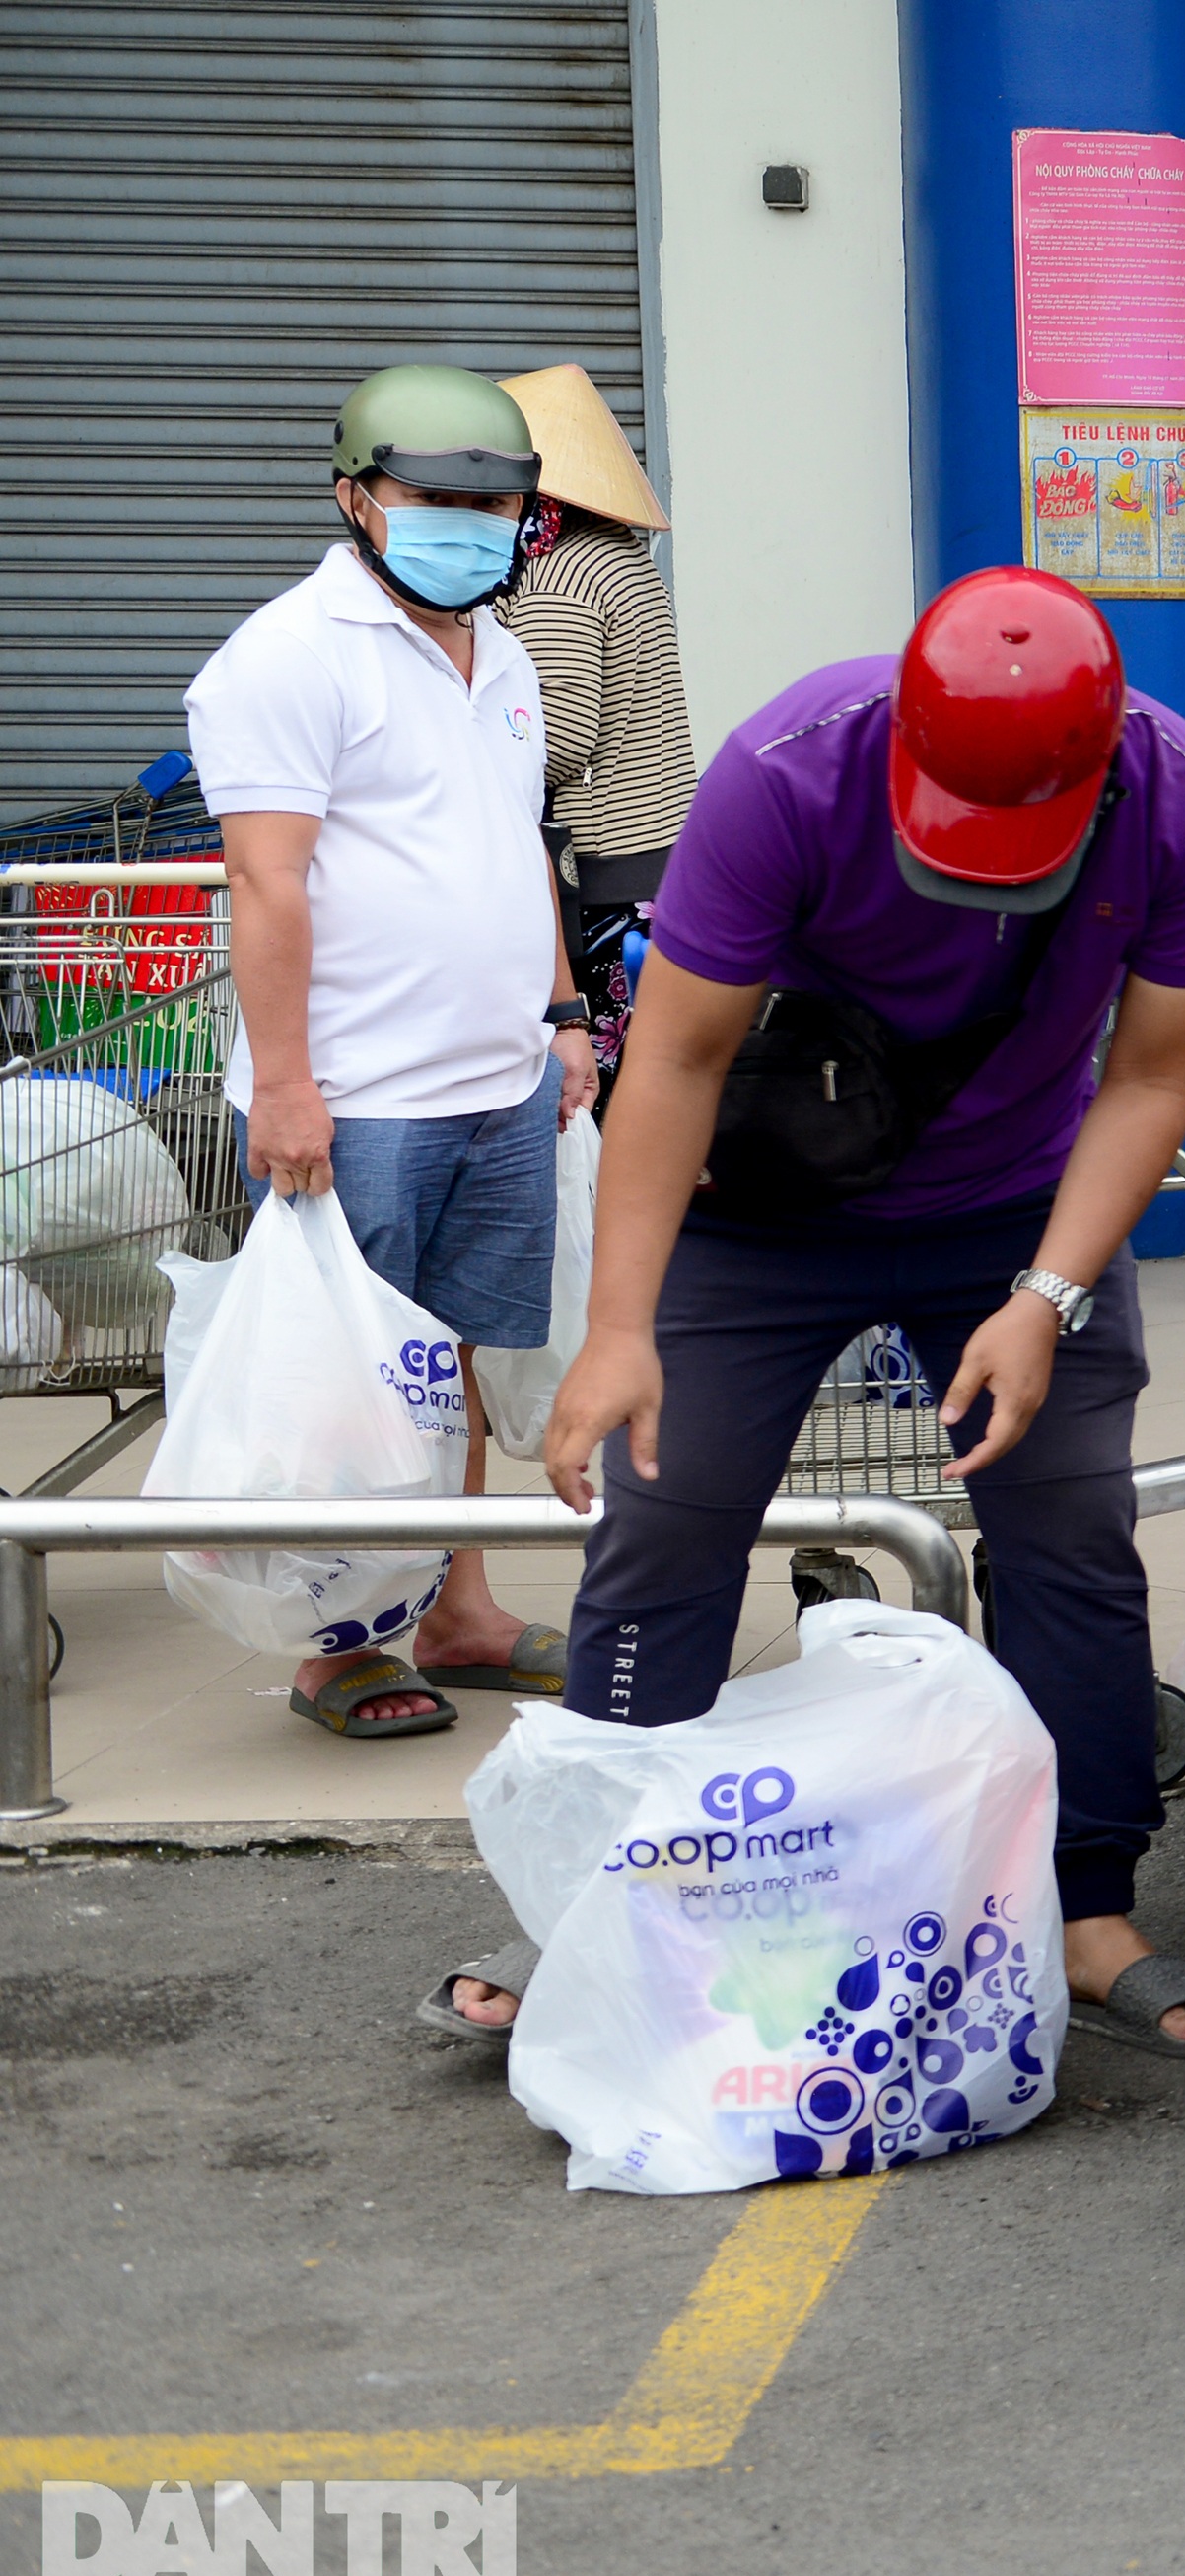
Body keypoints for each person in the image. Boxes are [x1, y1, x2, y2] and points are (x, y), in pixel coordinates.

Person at [417, 566, 1185, 2056]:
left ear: (1105, 760)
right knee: (665, 1514)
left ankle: (1085, 1899)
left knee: (1070, 1524)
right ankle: (590, 1892)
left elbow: (1148, 1074)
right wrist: (619, 1329)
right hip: (764, 1208)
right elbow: (671, 1059)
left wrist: (1048, 1294)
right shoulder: (787, 772)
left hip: (1017, 1207)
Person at [185, 362, 595, 1740]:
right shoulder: (286, 658)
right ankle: (331, 1644)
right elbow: (268, 885)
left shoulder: (509, 650)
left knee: (457, 1358)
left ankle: (456, 1606)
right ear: (356, 496)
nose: (474, 523)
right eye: (439, 497)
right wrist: (288, 1084)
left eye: (500, 501)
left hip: (501, 1082)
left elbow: (513, 845)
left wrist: (559, 1015)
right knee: (348, 1385)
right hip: (357, 1101)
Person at [494, 361, 698, 1107]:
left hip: (608, 877)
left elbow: (558, 738)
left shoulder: (558, 577)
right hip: (659, 865)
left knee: (604, 1105)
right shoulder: (616, 557)